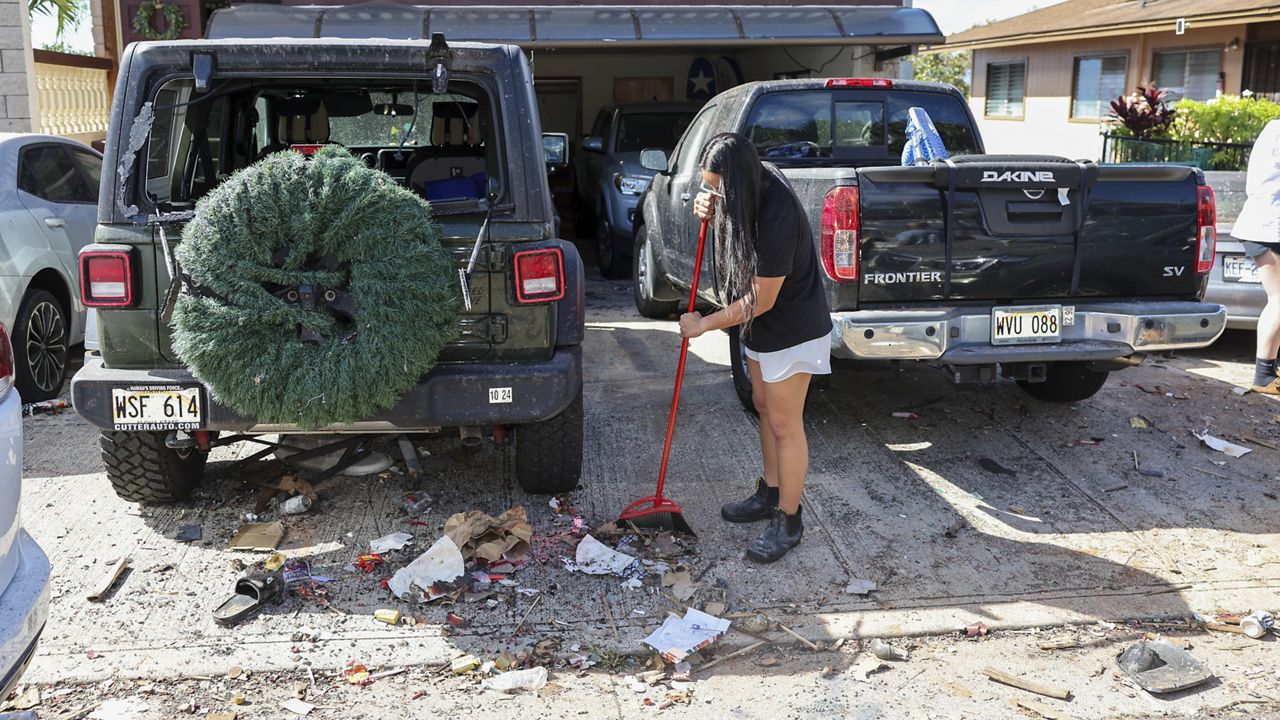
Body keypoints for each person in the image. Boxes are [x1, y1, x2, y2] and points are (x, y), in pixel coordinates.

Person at [679, 132, 832, 563]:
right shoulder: (747, 186)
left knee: (786, 423)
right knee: (763, 406)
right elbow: (725, 210)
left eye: (717, 187)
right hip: (761, 329)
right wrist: (706, 204)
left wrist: (704, 324)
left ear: (740, 182)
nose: (712, 193)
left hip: (792, 328)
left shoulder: (777, 212)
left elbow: (759, 300)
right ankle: (770, 492)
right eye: (708, 185)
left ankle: (790, 520)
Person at [1233, 119, 1280, 394]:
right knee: (1278, 299)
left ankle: (1268, 373)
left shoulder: (1272, 128)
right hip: (1269, 224)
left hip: (1264, 221)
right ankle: (1263, 377)